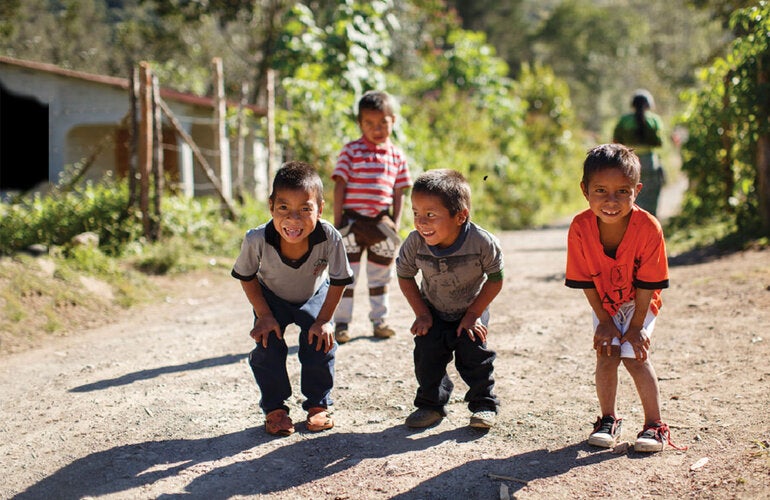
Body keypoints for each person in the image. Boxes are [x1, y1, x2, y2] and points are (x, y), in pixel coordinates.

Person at [565, 144, 685, 453]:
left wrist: (636, 326)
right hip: (603, 301)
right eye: (601, 190)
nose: (611, 201)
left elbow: (648, 283)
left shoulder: (648, 228)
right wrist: (604, 321)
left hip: (640, 302)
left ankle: (655, 425)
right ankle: (608, 419)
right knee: (607, 354)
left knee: (633, 355)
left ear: (637, 190)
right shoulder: (580, 227)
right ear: (585, 190)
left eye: (622, 191)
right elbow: (585, 280)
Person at [232, 161, 354, 437]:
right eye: (283, 208)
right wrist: (263, 315)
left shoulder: (329, 236)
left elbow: (338, 280)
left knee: (319, 342)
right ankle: (275, 409)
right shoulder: (257, 239)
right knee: (268, 346)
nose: (293, 219)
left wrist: (324, 320)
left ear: (320, 209)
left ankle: (318, 405)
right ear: (271, 206)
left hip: (314, 294)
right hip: (271, 299)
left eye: (305, 209)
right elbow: (247, 276)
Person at [396, 169, 504, 429]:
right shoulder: (414, 243)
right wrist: (421, 313)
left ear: (460, 216)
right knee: (427, 355)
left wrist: (473, 315)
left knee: (474, 354)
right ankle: (431, 406)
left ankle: (484, 405)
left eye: (430, 215)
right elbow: (405, 275)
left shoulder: (482, 242)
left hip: (471, 307)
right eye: (416, 213)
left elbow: (495, 279)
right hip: (432, 308)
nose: (421, 222)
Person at [332, 90, 413, 344]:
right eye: (369, 123)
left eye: (382, 123)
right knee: (347, 275)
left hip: (382, 224)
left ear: (393, 121)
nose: (376, 129)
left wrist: (396, 223)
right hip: (352, 224)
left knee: (381, 275)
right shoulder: (351, 151)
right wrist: (337, 223)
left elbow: (400, 191)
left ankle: (380, 321)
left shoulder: (397, 156)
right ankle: (341, 324)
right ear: (360, 123)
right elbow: (339, 186)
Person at [612, 89, 665, 217]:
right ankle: (650, 223)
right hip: (650, 162)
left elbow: (615, 141)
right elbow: (659, 142)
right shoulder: (654, 120)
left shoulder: (624, 120)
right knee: (651, 195)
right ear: (649, 104)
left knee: (630, 194)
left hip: (628, 162)